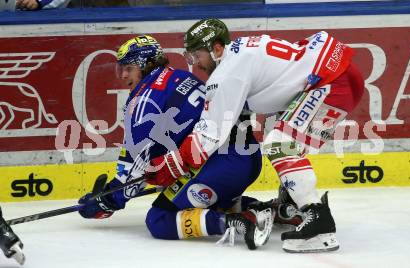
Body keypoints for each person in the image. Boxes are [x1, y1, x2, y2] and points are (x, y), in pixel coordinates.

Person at [147, 18, 365, 253]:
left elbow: (210, 134)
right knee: (288, 142)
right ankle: (292, 203)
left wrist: (171, 163)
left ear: (217, 48)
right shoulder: (238, 53)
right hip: (338, 72)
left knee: (281, 145)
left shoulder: (227, 74)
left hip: (333, 80)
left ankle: (319, 223)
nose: (196, 64)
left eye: (197, 56)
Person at [77, 34, 273, 250]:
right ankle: (267, 210)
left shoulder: (143, 103)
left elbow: (133, 173)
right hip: (248, 158)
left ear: (146, 64)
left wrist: (105, 201)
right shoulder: (179, 76)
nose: (123, 75)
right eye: (120, 68)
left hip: (221, 168)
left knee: (159, 220)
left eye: (129, 68)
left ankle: (237, 222)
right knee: (191, 193)